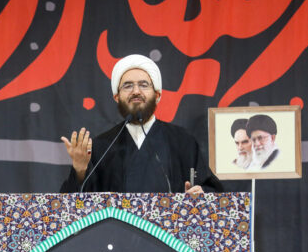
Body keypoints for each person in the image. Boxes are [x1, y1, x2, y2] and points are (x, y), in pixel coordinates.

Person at [60, 54, 221, 194]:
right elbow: (75, 206)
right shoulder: (101, 147)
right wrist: (80, 170)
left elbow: (211, 192)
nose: (136, 91)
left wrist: (200, 195)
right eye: (128, 85)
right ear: (117, 97)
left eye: (144, 85)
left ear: (157, 95)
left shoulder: (182, 141)